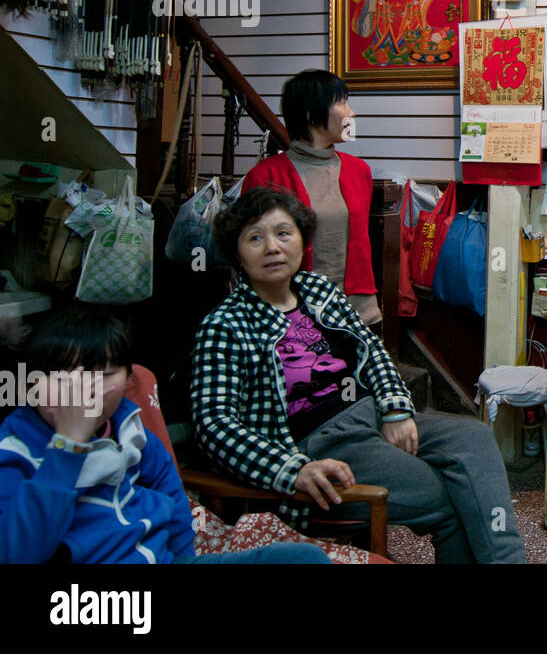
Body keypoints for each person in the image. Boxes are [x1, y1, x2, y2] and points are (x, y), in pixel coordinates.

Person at [192, 187, 525, 564]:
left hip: (367, 416)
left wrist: (395, 409)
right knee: (453, 497)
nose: (272, 247)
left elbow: (373, 353)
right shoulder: (225, 324)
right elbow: (213, 424)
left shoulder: (317, 290)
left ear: (302, 239)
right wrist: (292, 471)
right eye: (255, 238)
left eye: (284, 233)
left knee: (474, 436)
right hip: (315, 446)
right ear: (237, 253)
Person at [0, 305, 328, 564]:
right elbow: (18, 553)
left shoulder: (130, 427)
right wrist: (67, 446)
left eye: (104, 375)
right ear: (32, 385)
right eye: (62, 378)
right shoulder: (15, 447)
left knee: (303, 558)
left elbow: (167, 489)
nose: (84, 391)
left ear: (129, 380)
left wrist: (180, 555)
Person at [242, 69, 380, 327]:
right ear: (310, 115)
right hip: (292, 313)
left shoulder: (359, 171)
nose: (351, 113)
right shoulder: (265, 176)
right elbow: (253, 253)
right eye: (341, 102)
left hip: (357, 310)